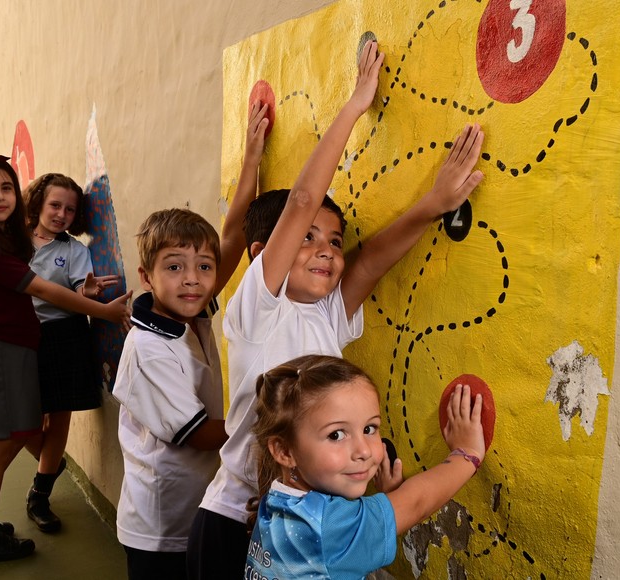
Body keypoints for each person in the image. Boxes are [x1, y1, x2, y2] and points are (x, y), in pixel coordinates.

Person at [188, 39, 485, 578]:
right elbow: (302, 202)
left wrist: (433, 205)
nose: (325, 248)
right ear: (265, 253)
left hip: (299, 517)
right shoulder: (257, 311)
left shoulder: (328, 315)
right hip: (234, 522)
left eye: (334, 239)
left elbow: (370, 261)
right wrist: (356, 103)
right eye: (308, 239)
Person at [0, 153, 131, 565]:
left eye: (5, 187)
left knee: (9, 440)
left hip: (10, 351)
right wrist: (105, 311)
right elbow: (44, 290)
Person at [112, 103, 269, 580]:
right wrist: (275, 428)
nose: (194, 280)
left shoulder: (188, 310)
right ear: (147, 276)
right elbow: (199, 433)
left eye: (203, 267)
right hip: (160, 526)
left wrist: (252, 160)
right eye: (174, 266)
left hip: (195, 505)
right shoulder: (148, 350)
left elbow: (232, 232)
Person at [245, 355, 485, 579]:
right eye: (336, 435)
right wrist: (467, 454)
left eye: (370, 429)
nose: (364, 451)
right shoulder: (328, 528)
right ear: (285, 451)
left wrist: (387, 499)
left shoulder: (276, 500)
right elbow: (416, 503)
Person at [21, 173, 121, 533]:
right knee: (23, 418)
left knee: (58, 416)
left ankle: (40, 493)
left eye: (70, 209)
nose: (61, 214)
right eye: (54, 205)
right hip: (22, 337)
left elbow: (83, 287)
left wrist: (88, 292)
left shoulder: (76, 251)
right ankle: (51, 461)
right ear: (38, 204)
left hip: (66, 336)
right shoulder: (15, 242)